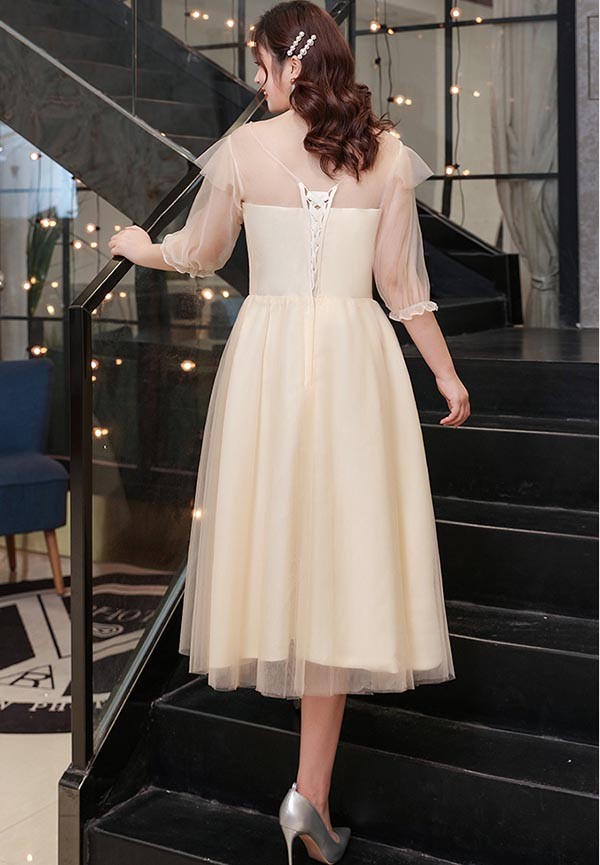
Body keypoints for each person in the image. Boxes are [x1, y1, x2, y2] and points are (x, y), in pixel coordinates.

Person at [109, 2, 470, 861]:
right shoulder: (385, 154)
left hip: (269, 366)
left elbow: (199, 252)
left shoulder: (241, 152)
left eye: (263, 60)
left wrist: (137, 244)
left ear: (296, 65)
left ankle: (311, 793)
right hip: (354, 365)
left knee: (285, 545)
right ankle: (310, 792)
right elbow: (403, 288)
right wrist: (446, 373)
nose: (256, 75)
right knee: (343, 562)